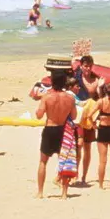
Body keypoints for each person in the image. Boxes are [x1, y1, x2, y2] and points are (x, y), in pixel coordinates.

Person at [31, 69, 76, 198]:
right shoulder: (70, 98)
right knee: (64, 161)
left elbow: (39, 116)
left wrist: (39, 110)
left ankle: (40, 192)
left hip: (50, 129)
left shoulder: (47, 97)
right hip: (63, 130)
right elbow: (73, 116)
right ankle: (64, 193)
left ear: (52, 81)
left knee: (43, 162)